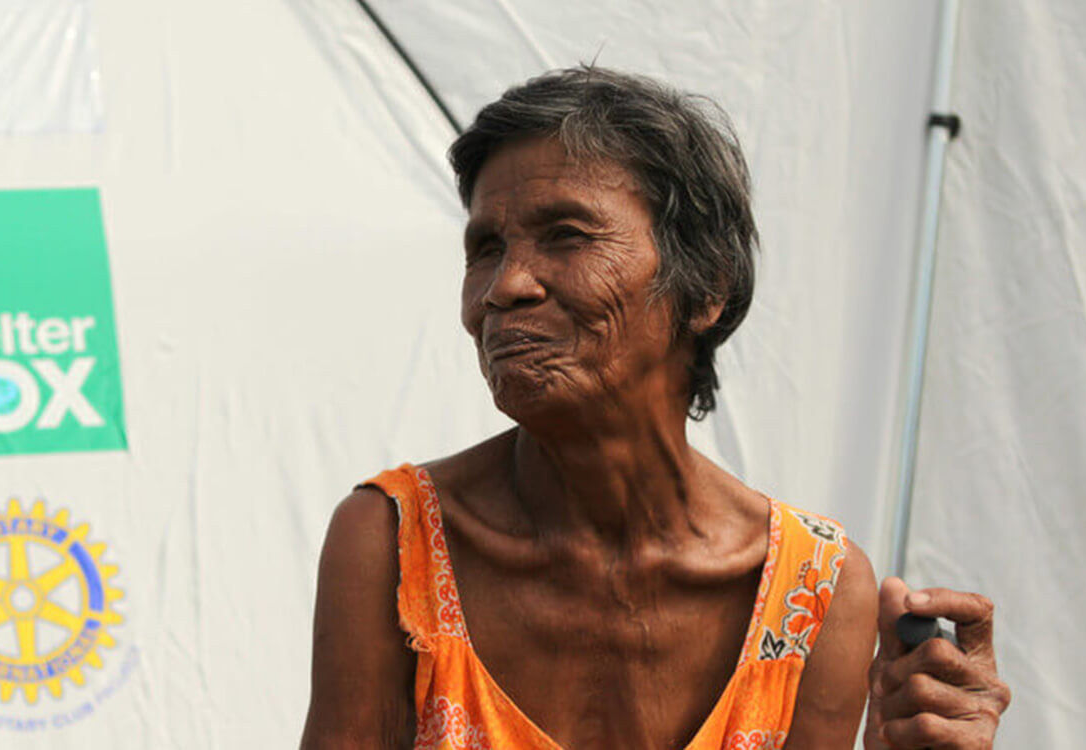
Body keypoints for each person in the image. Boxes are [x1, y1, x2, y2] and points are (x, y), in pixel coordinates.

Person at [300, 67, 1010, 749]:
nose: (504, 287)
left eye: (568, 236)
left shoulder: (814, 592)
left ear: (706, 290)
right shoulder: (394, 544)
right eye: (485, 248)